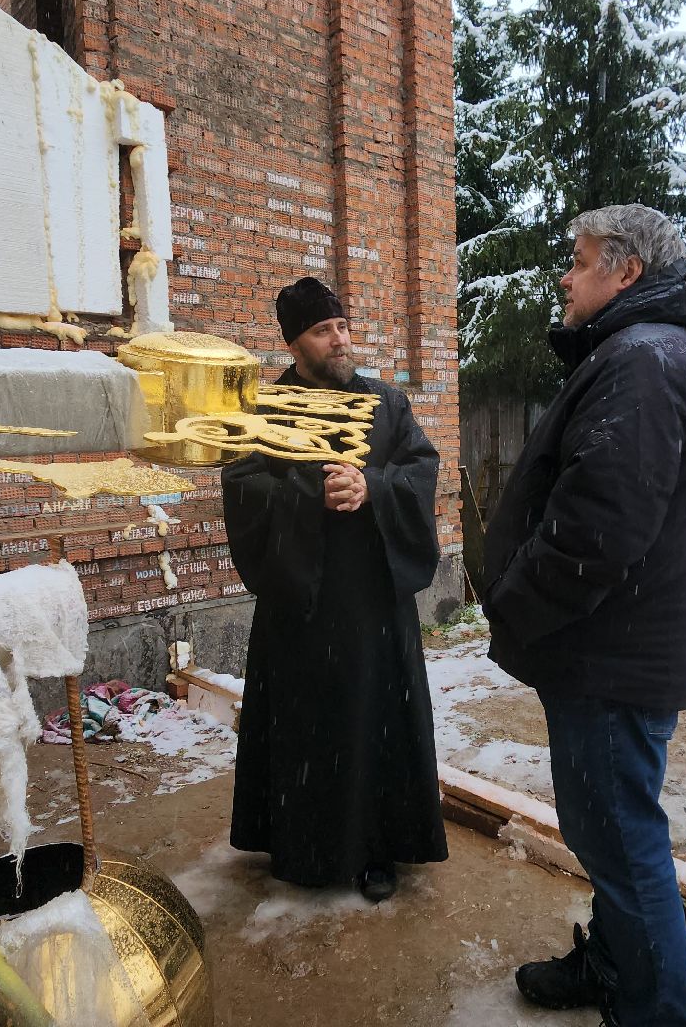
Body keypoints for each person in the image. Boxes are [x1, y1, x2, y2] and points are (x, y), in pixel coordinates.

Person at [482, 205, 686, 1025]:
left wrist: (514, 605)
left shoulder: (645, 360)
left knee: (624, 847)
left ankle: (655, 1010)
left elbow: (598, 529)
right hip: (617, 650)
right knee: (611, 838)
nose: (564, 274)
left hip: (610, 657)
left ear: (625, 272)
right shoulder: (655, 351)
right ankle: (616, 968)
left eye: (578, 259)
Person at [221, 276, 448, 902]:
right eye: (324, 330)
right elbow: (242, 487)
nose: (340, 339)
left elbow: (420, 467)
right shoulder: (265, 414)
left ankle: (379, 849)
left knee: (377, 723)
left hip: (372, 600)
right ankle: (305, 845)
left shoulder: (385, 405)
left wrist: (373, 485)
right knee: (308, 727)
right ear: (295, 344)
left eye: (342, 326)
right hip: (302, 603)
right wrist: (309, 495)